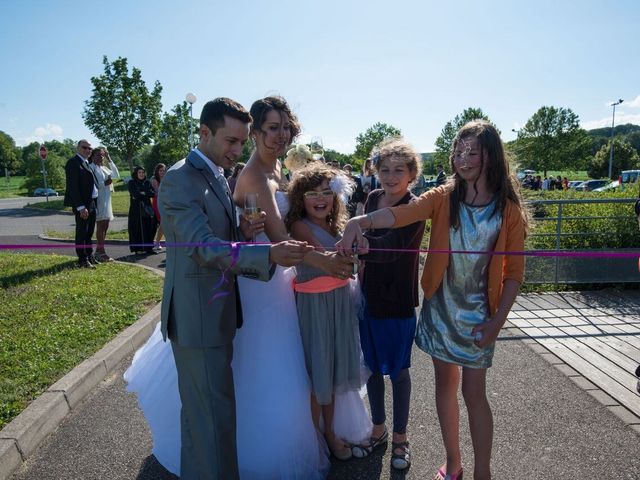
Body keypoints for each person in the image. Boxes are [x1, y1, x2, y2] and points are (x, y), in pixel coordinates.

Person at [125, 96, 345, 479]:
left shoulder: (215, 173)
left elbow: (219, 235)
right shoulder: (181, 178)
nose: (237, 150)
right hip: (199, 316)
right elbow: (201, 247)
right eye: (231, 141)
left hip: (221, 307)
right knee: (212, 420)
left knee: (208, 419)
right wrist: (269, 255)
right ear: (204, 132)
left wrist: (242, 233)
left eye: (242, 141)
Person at [338, 120, 528, 480]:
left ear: (492, 156)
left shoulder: (508, 210)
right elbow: (401, 213)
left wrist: (496, 322)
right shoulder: (443, 197)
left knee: (475, 395)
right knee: (445, 388)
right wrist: (358, 222)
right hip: (441, 309)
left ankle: (482, 472)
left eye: (473, 151)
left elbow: (514, 273)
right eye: (459, 151)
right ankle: (454, 464)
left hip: (480, 315)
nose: (464, 158)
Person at [350, 138, 425, 471]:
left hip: (397, 302)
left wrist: (360, 243)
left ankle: (401, 437)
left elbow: (395, 246)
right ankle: (378, 428)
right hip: (369, 296)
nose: (391, 176)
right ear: (376, 172)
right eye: (385, 170)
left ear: (412, 174)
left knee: (399, 372)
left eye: (399, 170)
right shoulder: (373, 197)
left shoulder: (415, 205)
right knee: (372, 368)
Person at [284, 163, 365, 461]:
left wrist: (358, 254)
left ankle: (330, 431)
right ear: (299, 199)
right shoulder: (299, 226)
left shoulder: (338, 227)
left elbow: (349, 266)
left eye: (325, 193)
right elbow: (333, 260)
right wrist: (352, 257)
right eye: (311, 194)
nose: (320, 199)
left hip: (339, 303)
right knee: (318, 374)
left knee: (331, 375)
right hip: (314, 307)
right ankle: (316, 437)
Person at [64, 139, 99, 268]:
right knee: (82, 232)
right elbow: (73, 187)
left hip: (91, 202)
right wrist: (80, 206)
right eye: (85, 147)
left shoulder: (86, 163)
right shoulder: (73, 163)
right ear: (78, 148)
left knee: (89, 232)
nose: (88, 150)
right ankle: (82, 259)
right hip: (82, 205)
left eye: (90, 148)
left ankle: (89, 256)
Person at [88, 147, 120, 262]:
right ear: (92, 156)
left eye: (102, 155)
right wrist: (105, 183)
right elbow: (95, 184)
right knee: (100, 225)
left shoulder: (104, 168)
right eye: (98, 155)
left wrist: (109, 158)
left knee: (105, 225)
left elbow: (116, 175)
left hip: (107, 199)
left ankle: (98, 250)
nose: (100, 157)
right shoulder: (91, 167)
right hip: (99, 199)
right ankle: (101, 252)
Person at [127, 166, 157, 254]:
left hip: (147, 208)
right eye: (139, 172)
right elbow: (135, 194)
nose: (141, 174)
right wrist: (144, 193)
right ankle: (138, 249)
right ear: (136, 174)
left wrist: (142, 193)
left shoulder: (147, 182)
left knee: (149, 228)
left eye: (143, 172)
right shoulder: (132, 182)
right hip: (136, 210)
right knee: (137, 229)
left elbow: (152, 193)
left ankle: (149, 248)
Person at [150, 163, 166, 250]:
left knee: (166, 224)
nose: (162, 172)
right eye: (160, 170)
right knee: (163, 223)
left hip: (167, 202)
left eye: (164, 170)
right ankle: (157, 242)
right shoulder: (154, 180)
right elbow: (156, 193)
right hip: (158, 202)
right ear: (157, 171)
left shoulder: (167, 178)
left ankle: (159, 242)